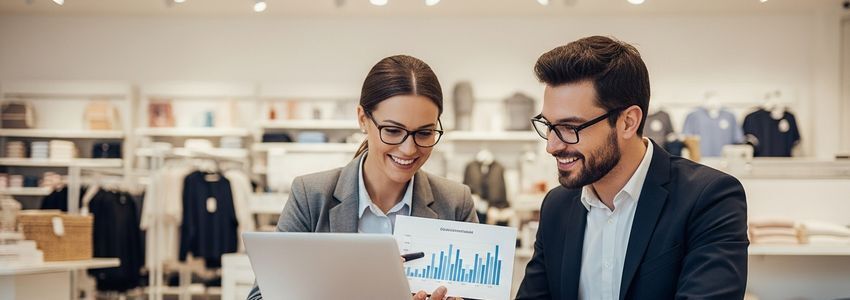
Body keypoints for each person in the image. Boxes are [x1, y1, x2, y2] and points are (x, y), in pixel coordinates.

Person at [516, 36, 748, 299]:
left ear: (628, 122)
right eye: (549, 126)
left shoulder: (709, 198)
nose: (552, 146)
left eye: (570, 127)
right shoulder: (557, 206)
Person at [246, 55, 475, 300]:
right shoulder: (311, 196)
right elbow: (261, 296)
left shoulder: (455, 202)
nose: (409, 149)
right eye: (393, 131)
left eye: (424, 132)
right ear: (363, 119)